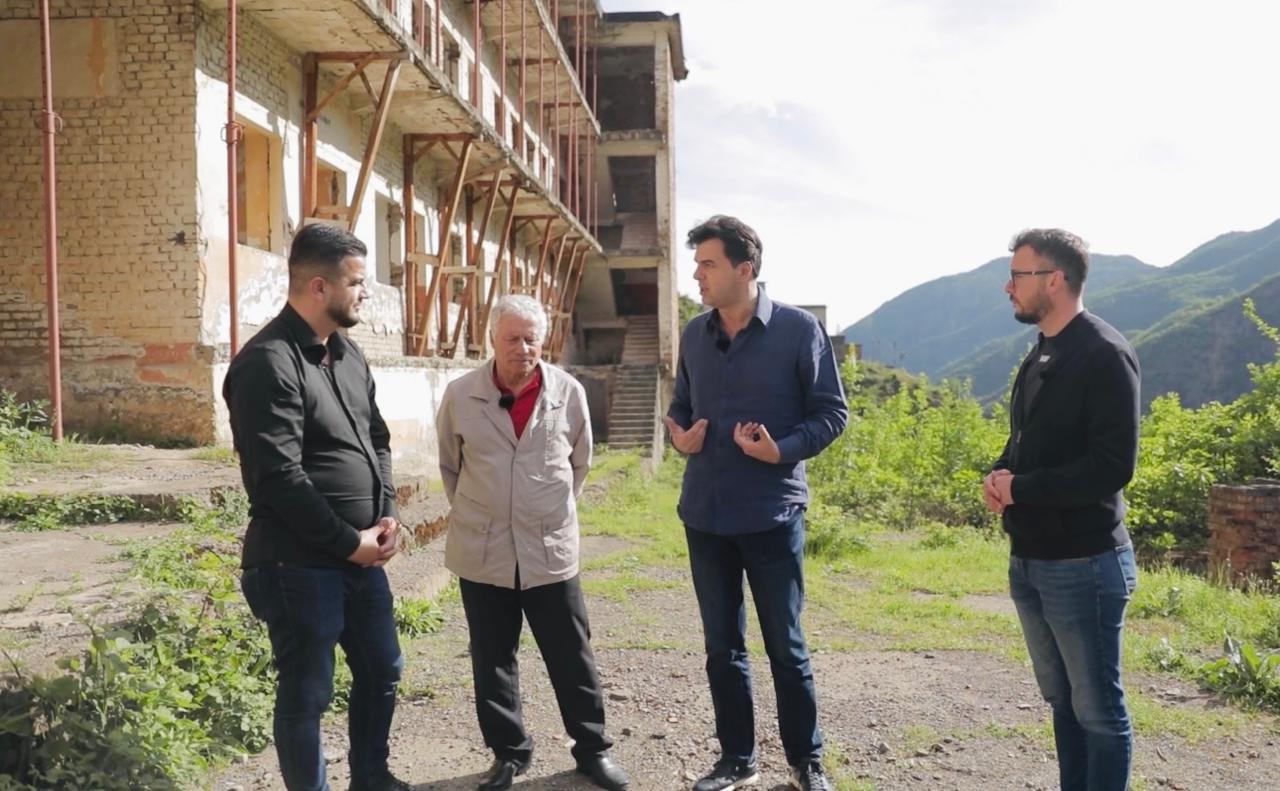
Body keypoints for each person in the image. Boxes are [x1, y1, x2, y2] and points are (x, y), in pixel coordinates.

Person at [664, 215, 848, 791]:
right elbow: (680, 405)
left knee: (786, 647)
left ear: (745, 269)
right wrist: (680, 435)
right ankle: (737, 760)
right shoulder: (694, 334)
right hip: (706, 514)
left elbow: (832, 413)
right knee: (722, 648)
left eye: (708, 264)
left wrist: (780, 450)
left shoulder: (798, 330)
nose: (697, 275)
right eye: (696, 264)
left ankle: (806, 762)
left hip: (772, 514)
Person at [224, 223, 409, 791]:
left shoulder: (347, 354)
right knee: (308, 693)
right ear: (319, 287)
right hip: (297, 563)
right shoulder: (268, 363)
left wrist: (386, 512)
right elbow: (278, 479)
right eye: (356, 283)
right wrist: (348, 543)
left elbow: (376, 439)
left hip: (361, 556)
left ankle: (370, 778)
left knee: (383, 667)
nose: (366, 293)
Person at [436, 294, 629, 791]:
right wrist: (490, 511)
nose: (523, 349)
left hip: (549, 548)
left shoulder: (568, 392)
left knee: (571, 655)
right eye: (512, 339)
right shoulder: (461, 394)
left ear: (544, 341)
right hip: (484, 549)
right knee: (492, 658)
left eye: (531, 339)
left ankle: (592, 750)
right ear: (492, 339)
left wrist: (541, 511)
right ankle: (509, 753)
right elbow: (450, 467)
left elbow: (580, 464)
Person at [983, 228, 1141, 791]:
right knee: (1063, 700)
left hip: (1085, 563)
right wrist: (1000, 475)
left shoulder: (1104, 354)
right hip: (1031, 557)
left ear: (1054, 280)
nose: (1008, 287)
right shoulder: (1041, 352)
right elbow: (1025, 439)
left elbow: (1111, 467)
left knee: (1097, 709)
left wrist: (1022, 488)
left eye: (1017, 276)